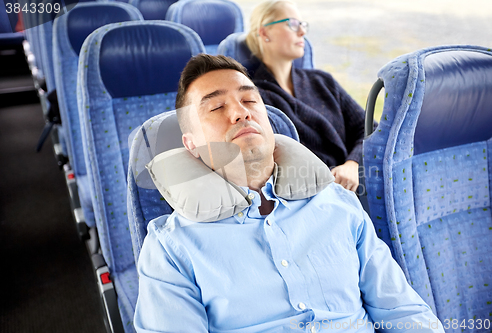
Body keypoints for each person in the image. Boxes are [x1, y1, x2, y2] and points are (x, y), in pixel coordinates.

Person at [134, 54, 444, 333]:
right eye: (216, 106)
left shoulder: (339, 206)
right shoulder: (170, 249)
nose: (241, 113)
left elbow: (402, 311)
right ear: (192, 146)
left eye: (250, 101)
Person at [246, 0, 365, 192]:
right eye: (292, 24)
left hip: (355, 181)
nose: (302, 32)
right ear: (264, 32)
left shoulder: (323, 81)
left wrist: (353, 163)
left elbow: (368, 127)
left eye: (303, 25)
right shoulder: (254, 98)